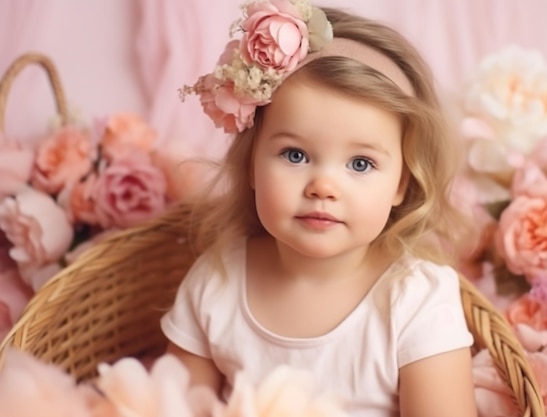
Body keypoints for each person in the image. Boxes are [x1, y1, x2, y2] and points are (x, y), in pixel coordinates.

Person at [161, 1, 477, 416]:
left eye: (360, 164)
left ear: (401, 184)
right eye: (294, 155)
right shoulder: (217, 282)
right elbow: (171, 406)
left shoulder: (416, 301)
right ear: (253, 163)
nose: (323, 187)